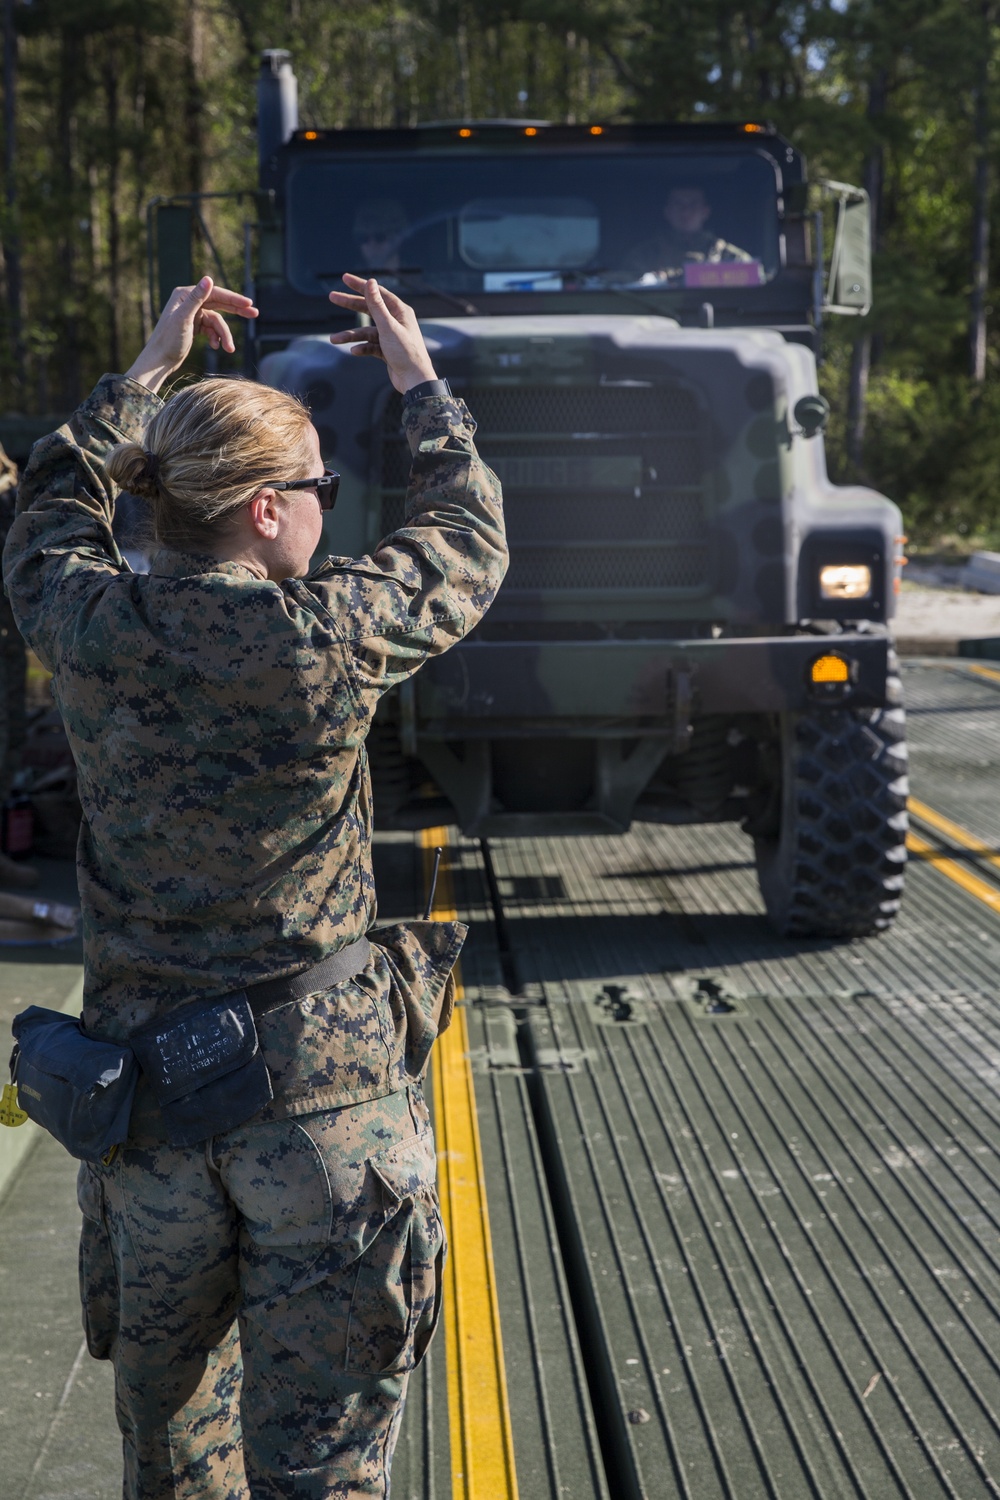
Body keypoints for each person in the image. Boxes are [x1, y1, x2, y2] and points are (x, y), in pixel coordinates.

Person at [3, 272, 507, 1497]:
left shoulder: (83, 618)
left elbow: (48, 511)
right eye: (322, 489)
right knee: (325, 1462)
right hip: (321, 1120)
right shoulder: (329, 635)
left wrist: (144, 375)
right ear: (272, 511)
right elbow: (469, 535)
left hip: (145, 1123)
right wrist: (420, 386)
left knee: (171, 1458)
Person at [625, 184, 752, 283]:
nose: (685, 212)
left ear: (705, 212)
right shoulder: (643, 256)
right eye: (678, 204)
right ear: (667, 212)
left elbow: (754, 283)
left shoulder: (731, 257)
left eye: (693, 204)